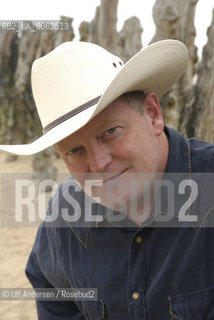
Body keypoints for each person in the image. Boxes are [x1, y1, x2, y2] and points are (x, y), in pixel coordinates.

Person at [1, 40, 214, 319]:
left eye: (111, 131)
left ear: (152, 114)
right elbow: (55, 298)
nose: (99, 164)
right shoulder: (64, 219)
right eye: (74, 150)